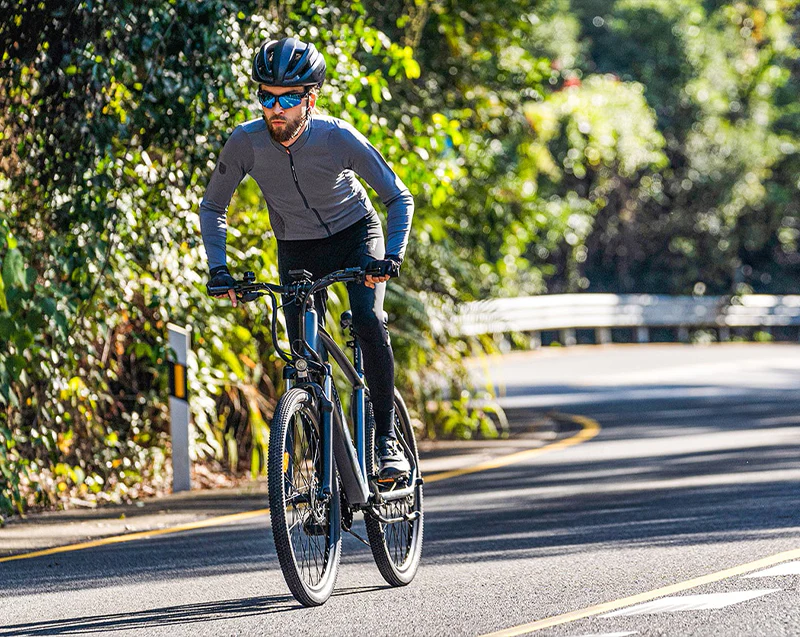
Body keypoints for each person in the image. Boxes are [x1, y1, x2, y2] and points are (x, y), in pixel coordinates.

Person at [199, 36, 413, 478]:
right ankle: (321, 467)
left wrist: (390, 256)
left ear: (309, 99)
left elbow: (398, 197)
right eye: (266, 97)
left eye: (288, 98)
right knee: (301, 357)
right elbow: (213, 206)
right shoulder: (246, 142)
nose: (275, 108)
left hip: (356, 235)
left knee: (368, 321)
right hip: (296, 245)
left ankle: (387, 439)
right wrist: (217, 268)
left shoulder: (337, 138)